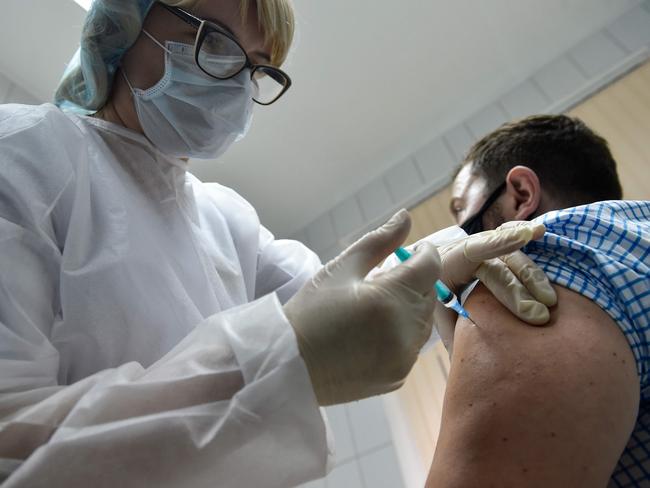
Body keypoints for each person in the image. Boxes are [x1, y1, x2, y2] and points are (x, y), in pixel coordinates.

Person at [0, 1, 556, 486]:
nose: (236, 84)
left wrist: (442, 262)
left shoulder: (226, 219)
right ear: (126, 18)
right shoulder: (26, 153)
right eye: (214, 42)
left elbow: (356, 296)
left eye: (257, 70)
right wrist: (277, 361)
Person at [426, 114, 650, 487]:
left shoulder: (528, 264)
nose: (458, 229)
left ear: (521, 195)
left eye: (462, 209)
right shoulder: (634, 238)